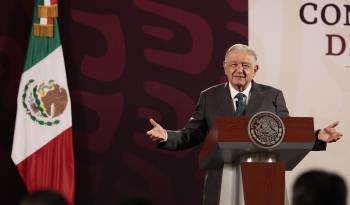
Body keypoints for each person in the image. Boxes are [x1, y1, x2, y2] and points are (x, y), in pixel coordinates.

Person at [146, 43, 343, 204]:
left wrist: (317, 136)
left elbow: (286, 133)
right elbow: (192, 134)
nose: (239, 70)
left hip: (264, 180)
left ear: (255, 70)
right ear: (224, 66)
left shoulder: (272, 96)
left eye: (245, 65)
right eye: (233, 64)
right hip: (222, 178)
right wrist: (166, 136)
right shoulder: (209, 97)